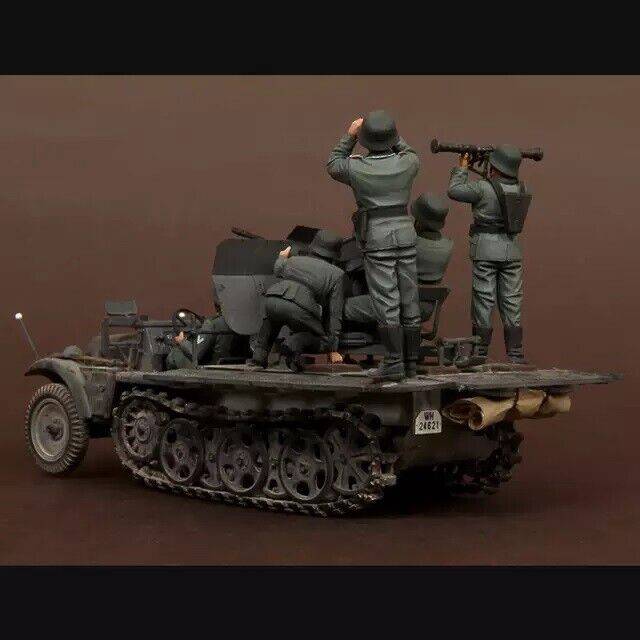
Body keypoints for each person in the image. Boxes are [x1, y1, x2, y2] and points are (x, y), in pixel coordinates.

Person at [326, 110, 421, 381]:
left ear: (365, 138)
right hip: (405, 234)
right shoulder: (409, 163)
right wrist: (391, 134)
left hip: (378, 237)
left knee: (386, 299)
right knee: (409, 296)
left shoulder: (356, 168)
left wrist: (350, 135)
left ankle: (394, 361)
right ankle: (411, 362)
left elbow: (333, 164)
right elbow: (408, 150)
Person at [343, 193, 453, 374]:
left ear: (418, 217)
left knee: (345, 307)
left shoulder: (408, 243)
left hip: (398, 305)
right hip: (424, 308)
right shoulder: (447, 245)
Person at [447, 145, 531, 363]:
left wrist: (463, 167)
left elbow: (454, 190)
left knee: (483, 299)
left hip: (485, 250)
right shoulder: (521, 188)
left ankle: (480, 350)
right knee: (512, 300)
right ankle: (515, 352)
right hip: (511, 250)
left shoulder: (483, 188)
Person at [249, 230, 345, 369]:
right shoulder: (337, 274)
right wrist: (333, 348)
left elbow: (278, 270)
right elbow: (335, 313)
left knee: (271, 322)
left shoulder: (294, 260)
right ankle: (293, 344)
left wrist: (282, 257)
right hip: (299, 307)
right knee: (321, 340)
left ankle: (258, 357)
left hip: (273, 299)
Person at [165, 313, 246, 369]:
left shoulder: (213, 324)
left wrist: (182, 341)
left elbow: (195, 353)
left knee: (174, 355)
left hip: (212, 365)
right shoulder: (244, 322)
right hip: (235, 361)